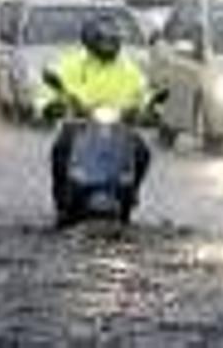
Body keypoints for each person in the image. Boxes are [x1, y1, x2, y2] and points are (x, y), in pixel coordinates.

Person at [39, 15, 151, 224]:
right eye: (104, 41)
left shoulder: (128, 68)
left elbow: (143, 91)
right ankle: (62, 198)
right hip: (79, 125)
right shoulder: (72, 64)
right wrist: (50, 105)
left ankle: (131, 193)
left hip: (118, 127)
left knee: (142, 152)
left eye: (113, 41)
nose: (109, 46)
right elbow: (51, 88)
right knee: (60, 149)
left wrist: (149, 108)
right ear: (91, 40)